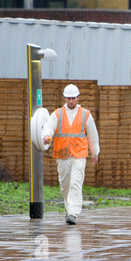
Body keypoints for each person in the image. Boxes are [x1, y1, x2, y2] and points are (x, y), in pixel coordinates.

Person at [42, 84, 100, 225]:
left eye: (73, 98)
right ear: (65, 98)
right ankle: (69, 209)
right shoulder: (57, 114)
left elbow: (93, 135)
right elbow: (49, 126)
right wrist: (46, 136)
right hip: (62, 154)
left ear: (78, 98)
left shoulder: (86, 114)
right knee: (65, 184)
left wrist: (95, 152)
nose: (71, 101)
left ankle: (73, 213)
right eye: (68, 98)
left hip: (79, 154)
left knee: (76, 182)